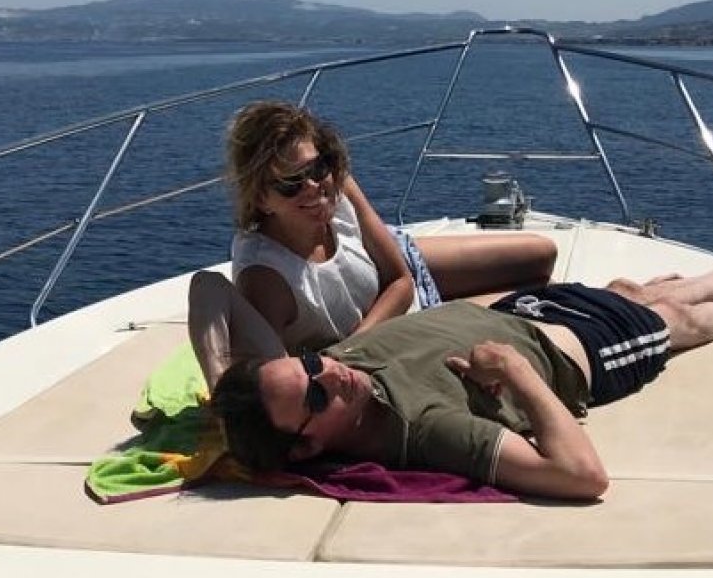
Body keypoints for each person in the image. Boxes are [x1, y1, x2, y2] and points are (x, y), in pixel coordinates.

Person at [206, 208, 713, 500]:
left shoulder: (337, 369)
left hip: (519, 310)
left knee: (629, 291)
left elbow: (207, 291)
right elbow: (582, 476)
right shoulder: (424, 427)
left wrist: (221, 395)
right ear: (306, 444)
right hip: (578, 353)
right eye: (315, 395)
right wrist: (514, 370)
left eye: (310, 362)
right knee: (674, 321)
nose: (329, 371)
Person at [198, 101, 557, 384]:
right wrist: (354, 351)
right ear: (261, 199)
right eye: (290, 184)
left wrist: (357, 340)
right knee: (539, 300)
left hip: (400, 265)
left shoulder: (336, 185)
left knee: (542, 255)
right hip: (401, 322)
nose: (313, 188)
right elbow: (276, 375)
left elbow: (401, 279)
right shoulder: (267, 277)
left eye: (316, 169)